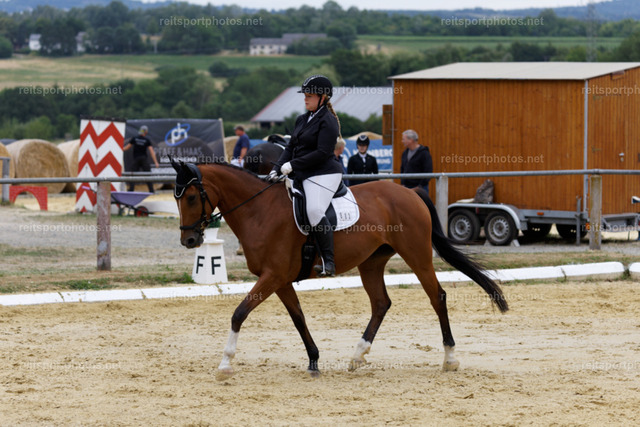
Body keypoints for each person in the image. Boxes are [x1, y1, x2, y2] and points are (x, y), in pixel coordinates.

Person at [267, 75, 343, 277]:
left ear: (322, 97)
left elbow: (322, 153)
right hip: (304, 171)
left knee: (315, 210)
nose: (305, 99)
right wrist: (277, 167)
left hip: (324, 172)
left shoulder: (328, 121)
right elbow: (290, 147)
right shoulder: (302, 119)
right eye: (305, 95)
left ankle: (328, 261)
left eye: (309, 96)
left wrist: (293, 165)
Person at [123, 125, 159, 193]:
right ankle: (151, 191)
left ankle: (131, 190)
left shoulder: (134, 138)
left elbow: (126, 148)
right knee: (148, 175)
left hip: (136, 159)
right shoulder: (146, 140)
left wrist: (119, 148)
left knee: (132, 175)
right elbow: (151, 152)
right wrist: (156, 162)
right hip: (144, 159)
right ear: (146, 132)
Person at [400, 129, 432, 195]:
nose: (402, 141)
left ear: (411, 140)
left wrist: (420, 186)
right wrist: (402, 183)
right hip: (407, 187)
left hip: (421, 188)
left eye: (403, 139)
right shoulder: (405, 153)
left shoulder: (424, 153)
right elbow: (402, 169)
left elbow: (428, 171)